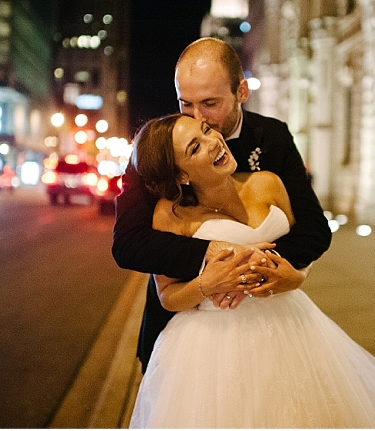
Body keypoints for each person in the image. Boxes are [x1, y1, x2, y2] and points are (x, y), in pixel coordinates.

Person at [128, 114, 375, 428]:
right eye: (195, 148)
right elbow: (167, 296)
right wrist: (207, 282)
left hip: (291, 322)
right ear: (180, 176)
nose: (213, 142)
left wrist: (297, 277)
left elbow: (301, 247)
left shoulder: (267, 182)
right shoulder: (171, 215)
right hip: (213, 343)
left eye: (206, 131)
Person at [112, 38, 332, 371]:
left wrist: (256, 272)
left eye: (210, 103)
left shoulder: (272, 136)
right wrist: (213, 254)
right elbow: (129, 244)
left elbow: (314, 228)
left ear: (241, 91)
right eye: (186, 104)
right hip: (188, 335)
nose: (199, 117)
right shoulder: (160, 150)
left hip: (274, 329)